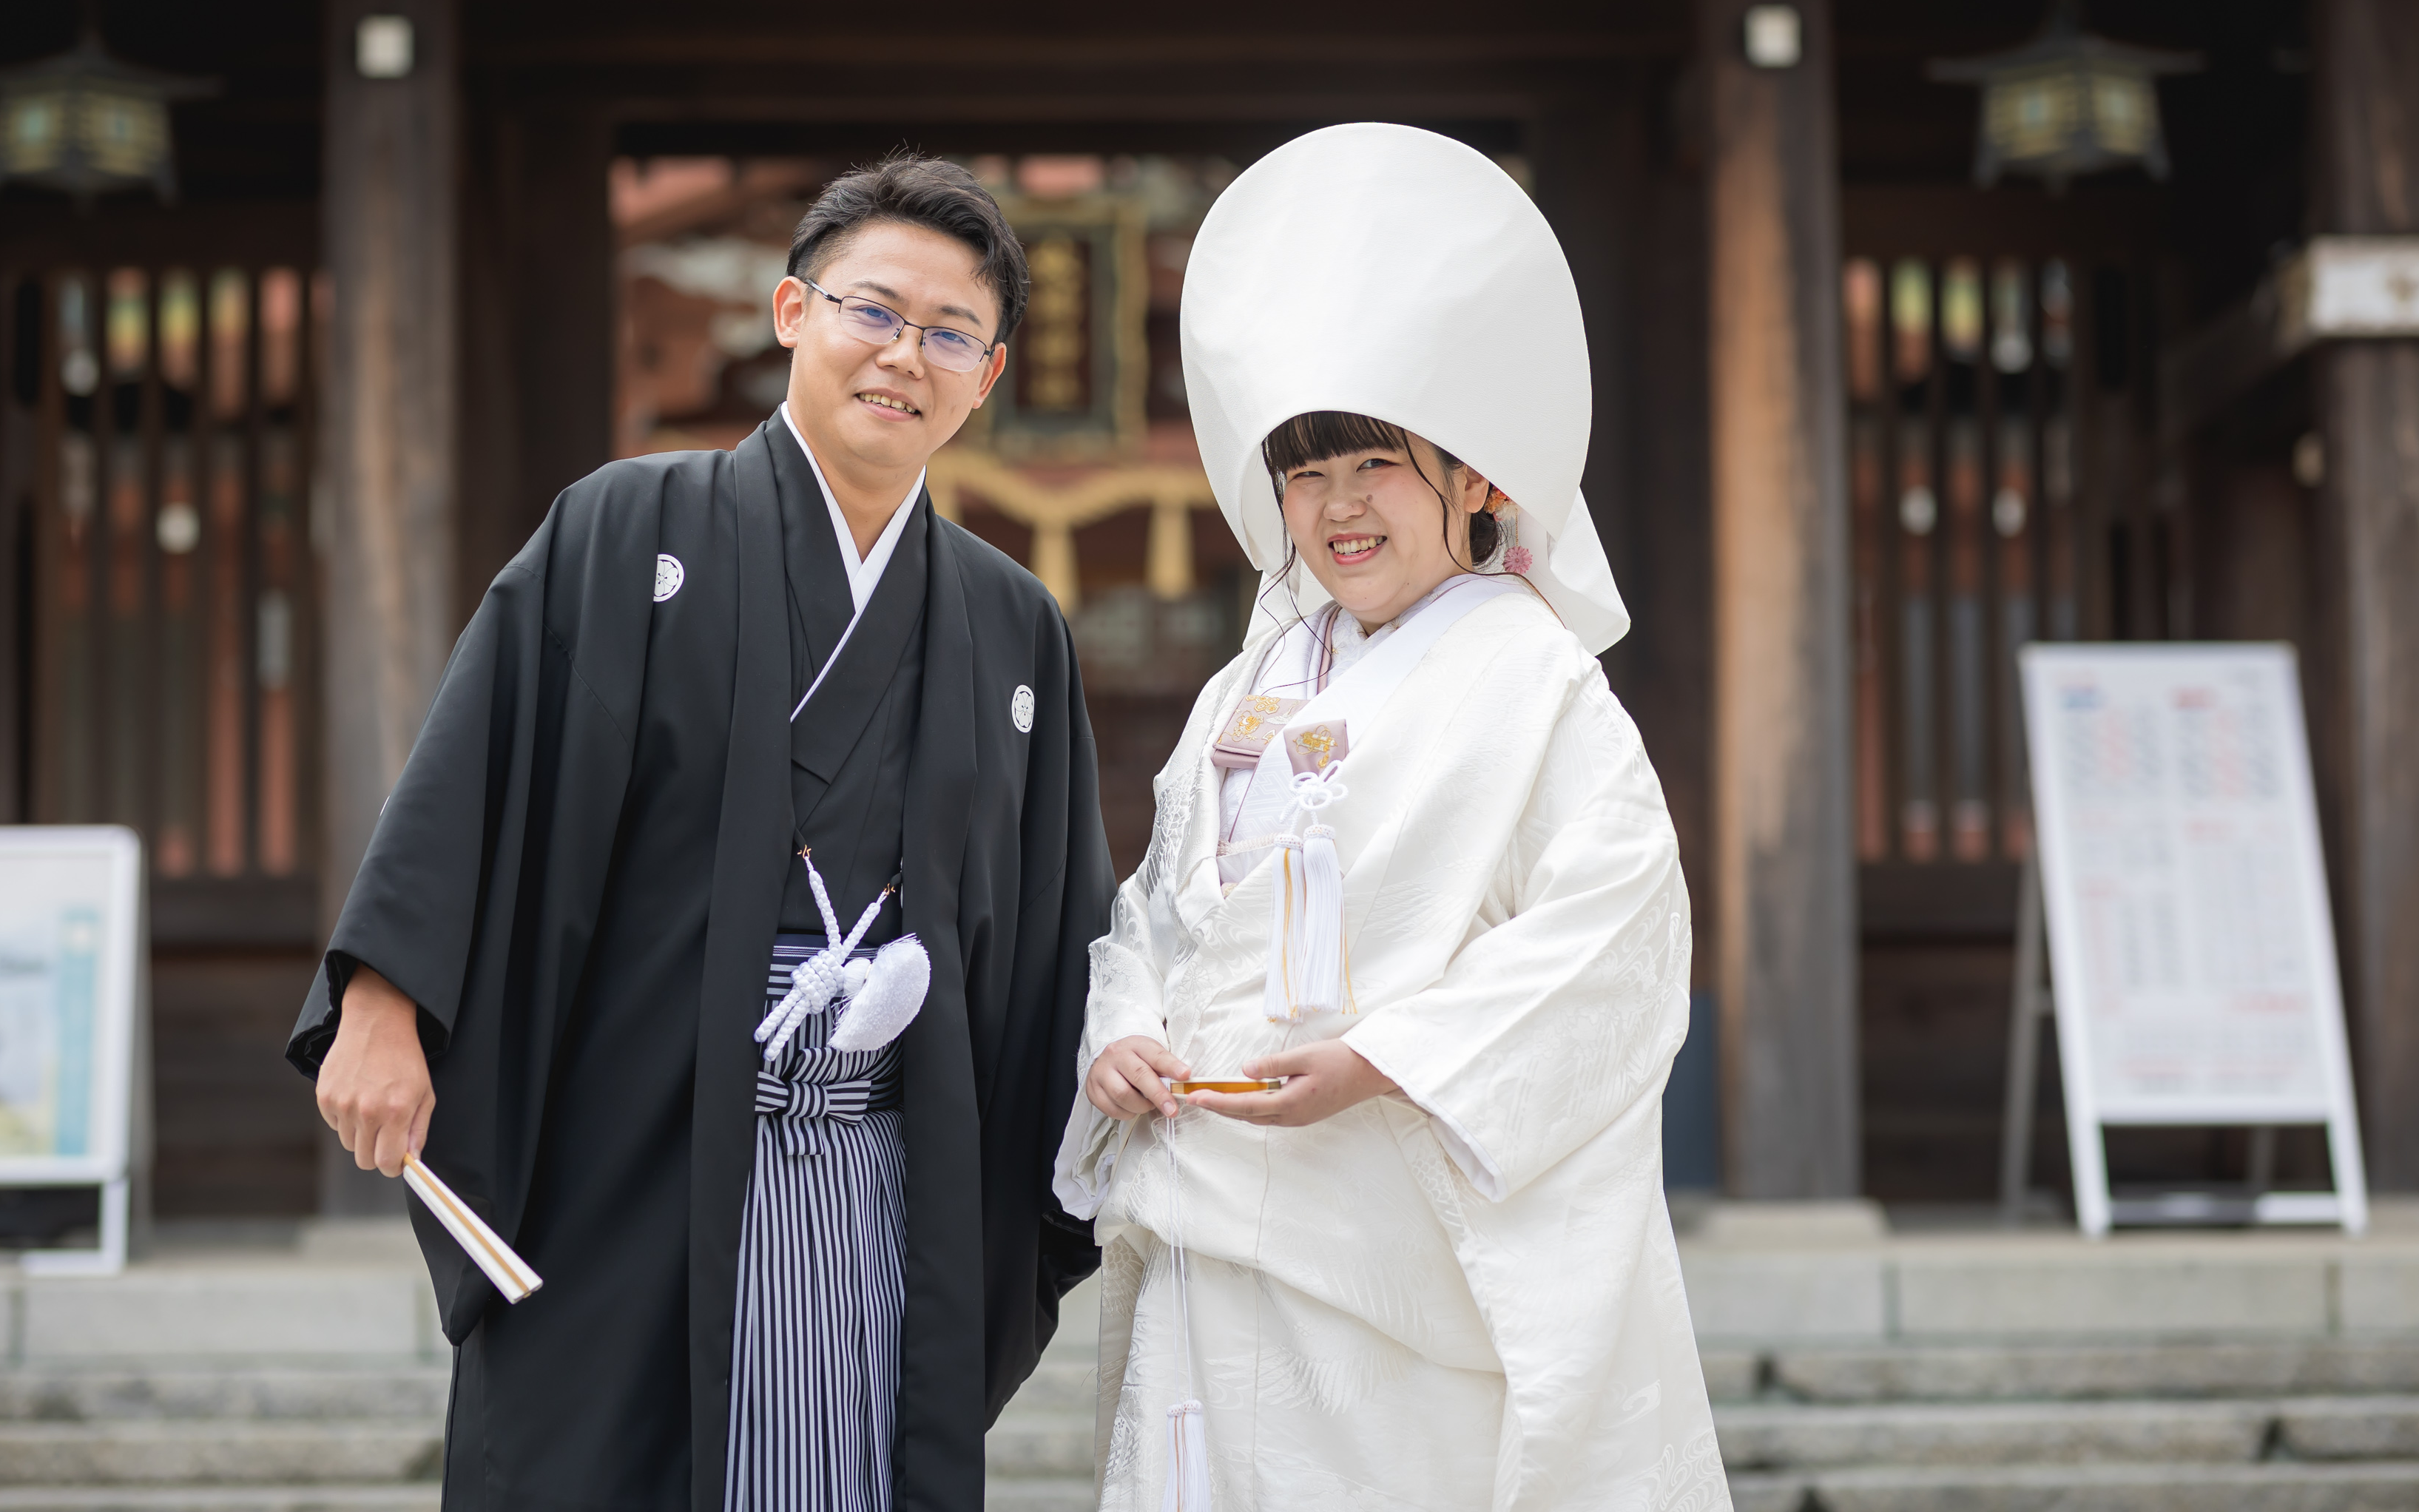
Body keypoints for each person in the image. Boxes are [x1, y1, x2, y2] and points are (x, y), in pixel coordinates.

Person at [289, 157, 1113, 1512]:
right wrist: (382, 998)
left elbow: (1056, 926)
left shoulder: (1011, 621)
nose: (906, 355)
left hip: (881, 1173)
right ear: (792, 311)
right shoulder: (625, 530)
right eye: (874, 311)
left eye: (950, 334)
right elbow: (475, 778)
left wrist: (1108, 1080)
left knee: (846, 1464)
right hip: (636, 1149)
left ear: (989, 376)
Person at [1052, 124, 1726, 1511]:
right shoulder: (1250, 688)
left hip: (1389, 1228)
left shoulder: (1536, 680)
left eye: (1376, 468)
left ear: (1473, 480)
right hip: (1204, 1198)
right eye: (1306, 475)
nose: (1338, 509)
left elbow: (1615, 934)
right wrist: (1121, 1028)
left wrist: (1388, 1061)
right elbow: (1158, 912)